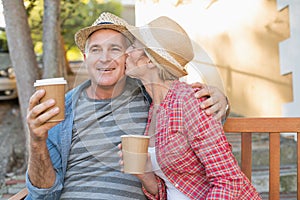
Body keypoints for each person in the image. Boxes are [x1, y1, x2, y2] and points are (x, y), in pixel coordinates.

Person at [25, 12, 229, 199]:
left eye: (115, 49)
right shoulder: (63, 108)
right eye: (96, 50)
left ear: (127, 57)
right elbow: (43, 193)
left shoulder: (151, 97)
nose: (104, 58)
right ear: (86, 59)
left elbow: (194, 113)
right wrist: (36, 141)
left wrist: (220, 100)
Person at [120, 16, 262, 199]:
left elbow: (228, 181)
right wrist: (145, 175)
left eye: (133, 46)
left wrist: (223, 101)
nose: (126, 52)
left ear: (150, 61)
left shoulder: (189, 101)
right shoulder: (155, 108)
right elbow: (176, 187)